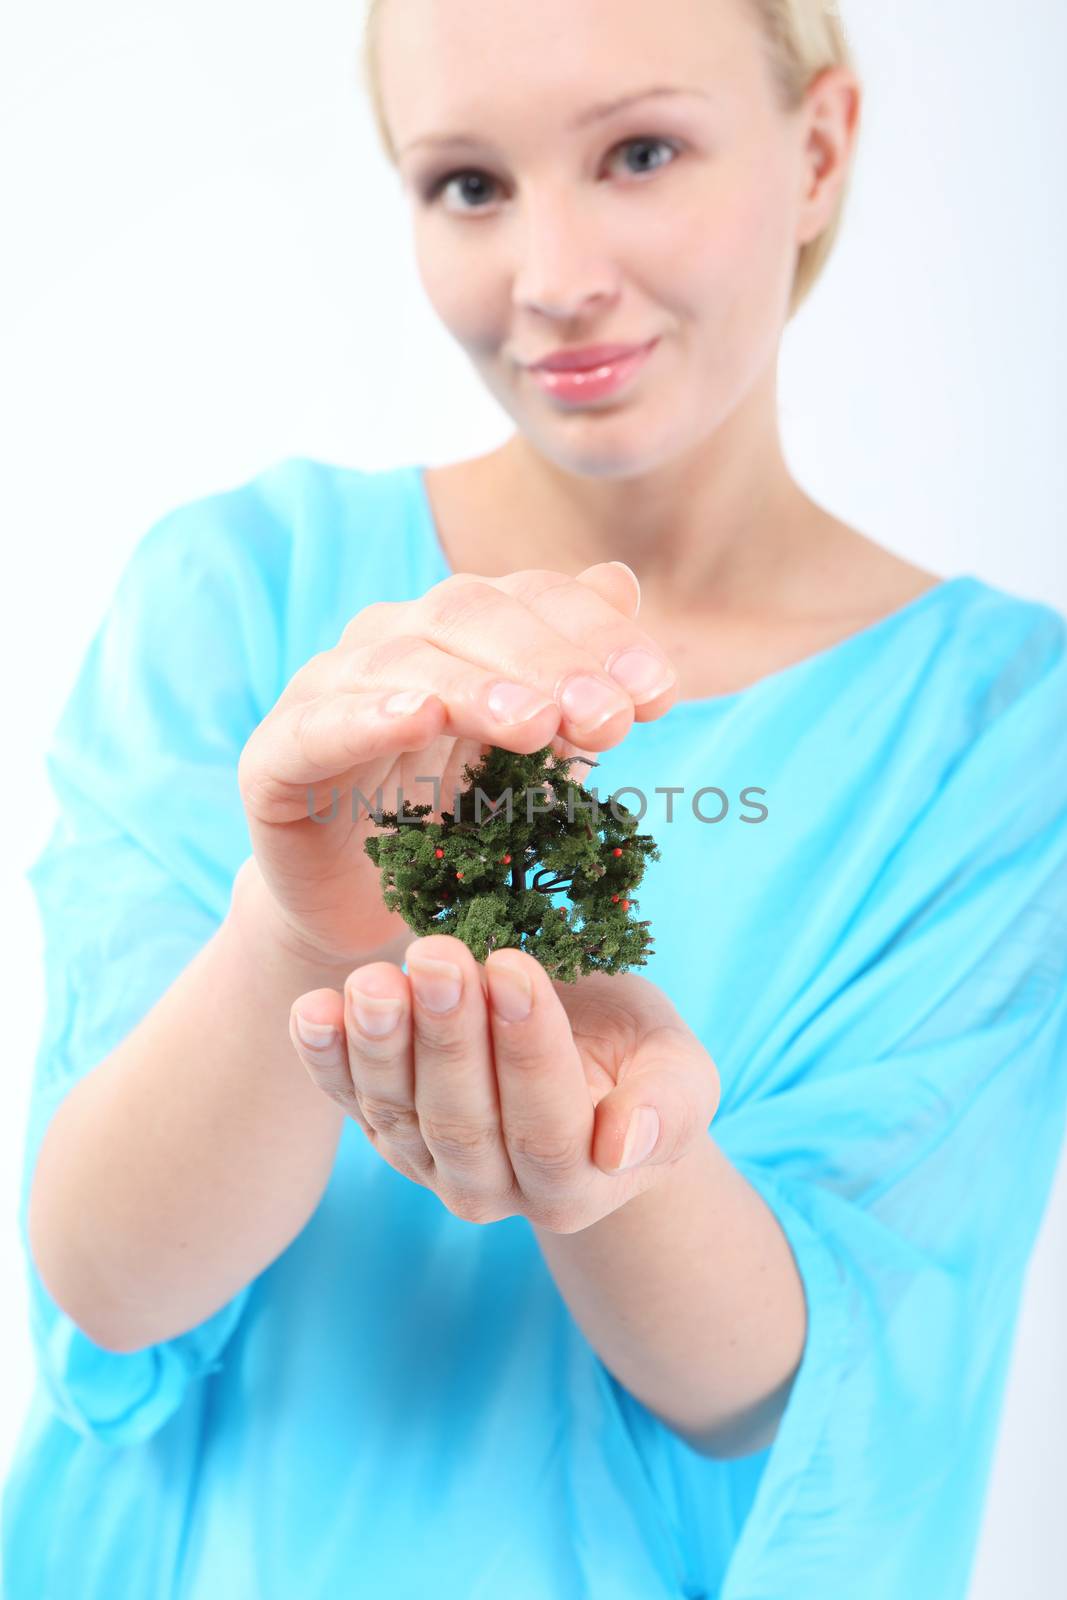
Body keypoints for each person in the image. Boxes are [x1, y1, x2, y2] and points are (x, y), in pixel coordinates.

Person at [3, 1, 1066, 1596]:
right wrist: (296, 937)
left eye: (641, 152)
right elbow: (107, 1279)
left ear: (823, 147)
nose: (552, 277)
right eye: (469, 185)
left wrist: (608, 1158)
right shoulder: (244, 591)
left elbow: (816, 1384)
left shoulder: (1004, 726)